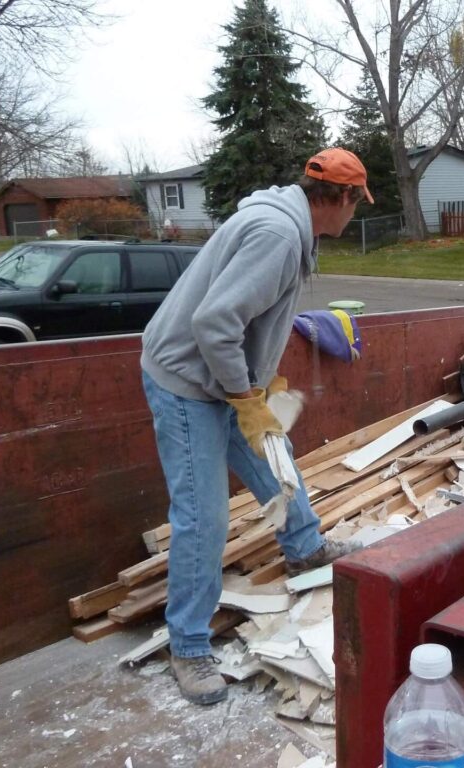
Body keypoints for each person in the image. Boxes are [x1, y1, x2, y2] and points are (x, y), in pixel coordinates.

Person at [140, 148, 374, 705]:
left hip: (221, 377)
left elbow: (248, 313)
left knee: (276, 459)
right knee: (203, 517)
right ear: (340, 197)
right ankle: (190, 645)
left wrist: (258, 382)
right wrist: (245, 396)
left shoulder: (289, 226)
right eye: (356, 204)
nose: (355, 215)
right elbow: (213, 321)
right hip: (186, 381)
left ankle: (305, 546)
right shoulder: (277, 234)